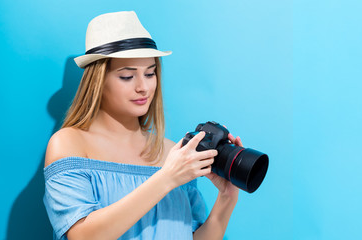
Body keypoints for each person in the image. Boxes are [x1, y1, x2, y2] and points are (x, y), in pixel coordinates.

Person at [43, 11, 242, 240]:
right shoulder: (70, 143)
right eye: (127, 76)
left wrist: (227, 199)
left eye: (150, 73)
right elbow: (83, 236)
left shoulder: (172, 152)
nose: (143, 87)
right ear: (98, 81)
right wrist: (167, 178)